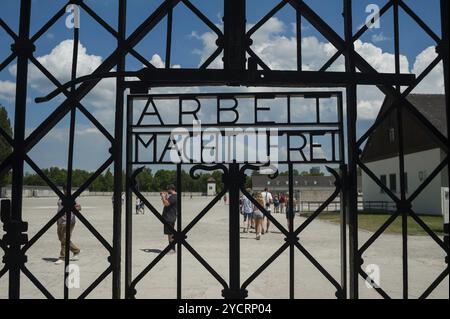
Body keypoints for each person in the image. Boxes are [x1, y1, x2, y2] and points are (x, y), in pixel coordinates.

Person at [54, 186, 81, 265]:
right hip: (60, 221)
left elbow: (79, 207)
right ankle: (76, 250)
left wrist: (75, 208)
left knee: (65, 239)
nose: (65, 190)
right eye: (64, 189)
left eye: (67, 189)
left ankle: (62, 257)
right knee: (61, 238)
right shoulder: (60, 197)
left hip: (69, 221)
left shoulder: (73, 198)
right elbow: (59, 208)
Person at [161, 185, 178, 254]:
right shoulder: (173, 197)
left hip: (170, 218)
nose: (167, 190)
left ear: (171, 189)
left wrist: (163, 197)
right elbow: (167, 202)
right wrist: (165, 197)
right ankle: (171, 248)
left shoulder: (174, 197)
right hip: (169, 217)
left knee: (171, 234)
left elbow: (166, 204)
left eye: (168, 189)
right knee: (169, 234)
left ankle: (172, 249)